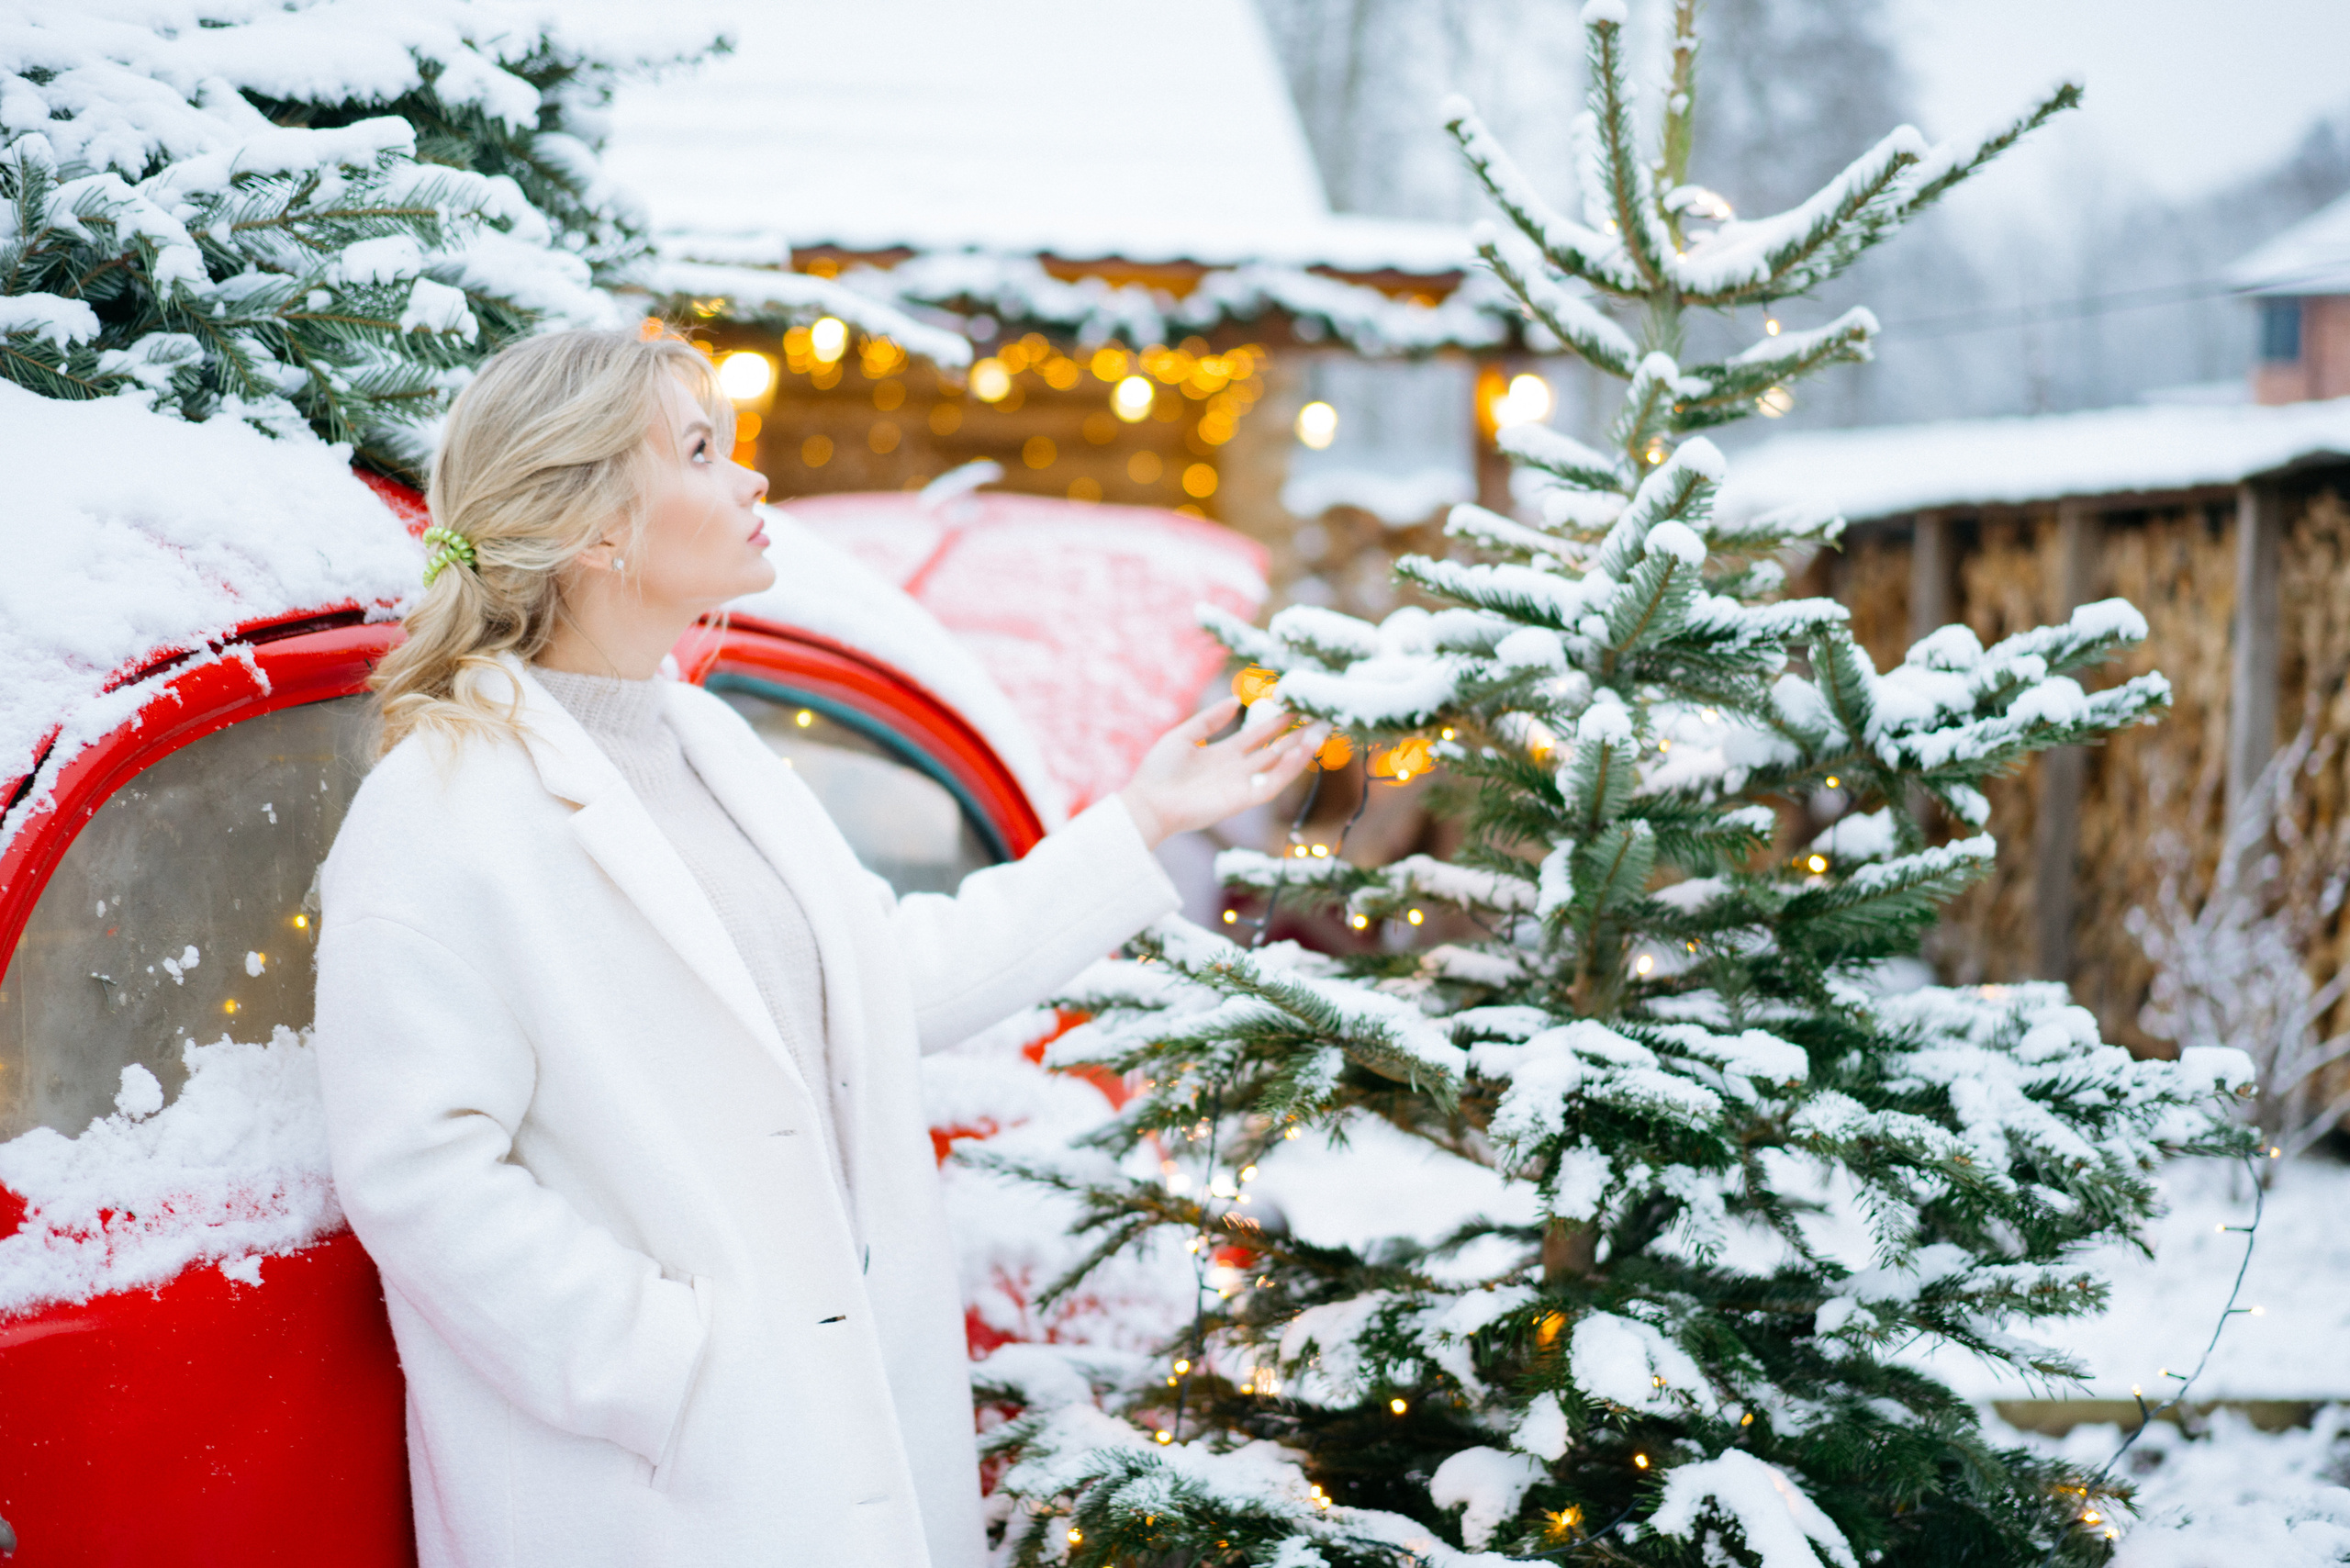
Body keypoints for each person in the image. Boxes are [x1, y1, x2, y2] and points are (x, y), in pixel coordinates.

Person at [312, 328, 1325, 1568]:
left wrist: (1144, 819)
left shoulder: (712, 749)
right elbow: (418, 1173)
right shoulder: (445, 805)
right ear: (598, 529)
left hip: (828, 1459)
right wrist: (672, 1371)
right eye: (700, 452)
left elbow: (877, 986)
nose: (752, 483)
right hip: (648, 1497)